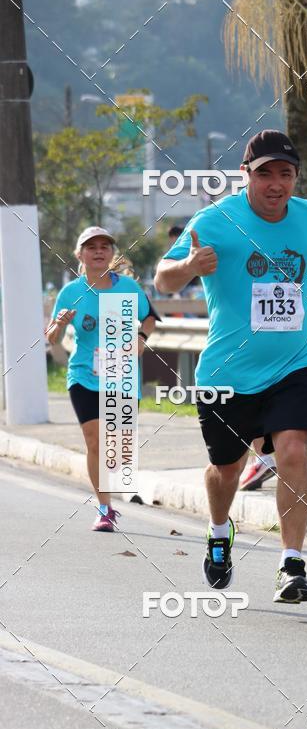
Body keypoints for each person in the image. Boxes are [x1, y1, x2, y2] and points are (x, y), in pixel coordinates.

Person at [154, 130, 307, 603]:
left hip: (297, 360)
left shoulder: (306, 215)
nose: (275, 183)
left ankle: (291, 564)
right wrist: (188, 265)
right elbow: (162, 279)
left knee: (293, 450)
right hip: (229, 373)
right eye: (264, 173)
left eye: (285, 173)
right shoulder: (216, 220)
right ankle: (218, 530)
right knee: (226, 470)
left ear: (295, 178)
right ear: (244, 175)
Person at [46, 227, 156, 532]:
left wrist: (141, 338)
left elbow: (150, 316)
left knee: (120, 446)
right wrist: (59, 324)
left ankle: (115, 485)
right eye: (90, 247)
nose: (98, 251)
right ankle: (105, 508)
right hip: (84, 374)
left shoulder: (129, 289)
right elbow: (52, 338)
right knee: (95, 441)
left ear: (112, 254)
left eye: (104, 246)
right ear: (80, 254)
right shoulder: (71, 292)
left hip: (121, 374)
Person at [239, 284, 307, 492]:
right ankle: (262, 460)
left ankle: (262, 459)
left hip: (278, 352)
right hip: (294, 351)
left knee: (256, 402)